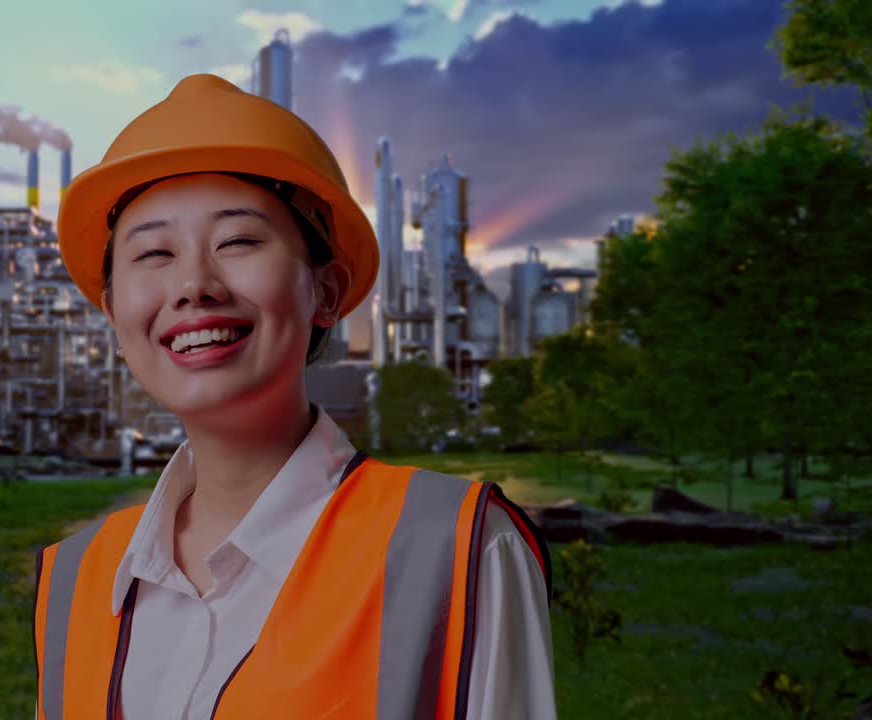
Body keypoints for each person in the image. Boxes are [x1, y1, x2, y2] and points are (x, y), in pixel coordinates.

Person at [33, 73, 556, 719]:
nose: (194, 285)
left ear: (326, 292)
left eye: (239, 241)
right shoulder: (75, 581)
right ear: (114, 314)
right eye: (154, 253)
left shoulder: (456, 547)